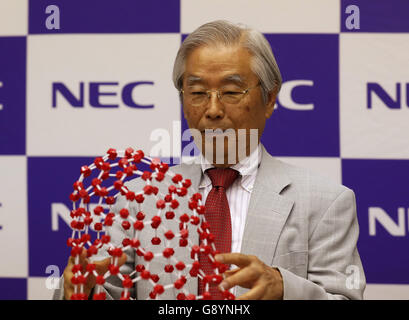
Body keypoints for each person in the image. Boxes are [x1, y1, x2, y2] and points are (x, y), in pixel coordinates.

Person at [54, 20, 365, 300]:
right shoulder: (141, 198)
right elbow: (107, 293)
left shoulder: (325, 202)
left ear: (269, 97)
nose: (213, 109)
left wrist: (285, 289)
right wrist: (82, 290)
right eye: (198, 92)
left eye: (231, 91)